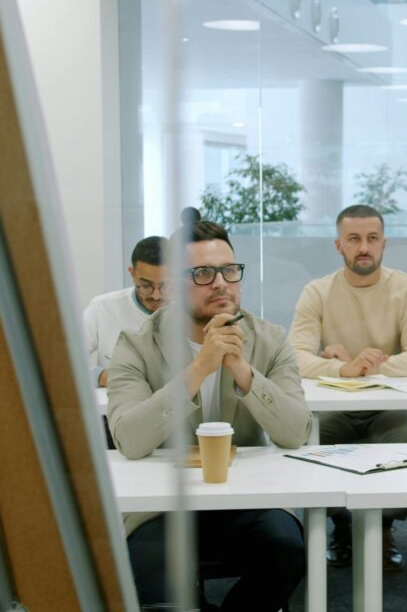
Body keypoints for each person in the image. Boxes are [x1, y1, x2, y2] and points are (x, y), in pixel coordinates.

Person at [107, 219, 312, 611]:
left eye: (229, 271)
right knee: (155, 581)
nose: (220, 283)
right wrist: (199, 367)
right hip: (162, 506)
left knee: (288, 549)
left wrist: (242, 370)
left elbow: (296, 432)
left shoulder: (269, 338)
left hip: (246, 499)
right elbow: (128, 440)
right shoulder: (135, 345)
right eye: (202, 273)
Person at [290, 204, 407, 572]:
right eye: (354, 239)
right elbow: (295, 357)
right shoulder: (317, 292)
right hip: (334, 410)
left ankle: (382, 527)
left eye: (372, 238)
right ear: (338, 245)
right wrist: (342, 368)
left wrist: (360, 367)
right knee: (307, 451)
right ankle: (343, 525)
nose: (364, 247)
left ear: (384, 243)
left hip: (391, 409)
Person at [83, 236, 168, 388]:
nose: (156, 295)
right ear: (132, 273)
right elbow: (64, 362)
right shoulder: (102, 308)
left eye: (165, 285)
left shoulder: (191, 311)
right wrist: (99, 375)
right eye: (146, 285)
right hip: (115, 407)